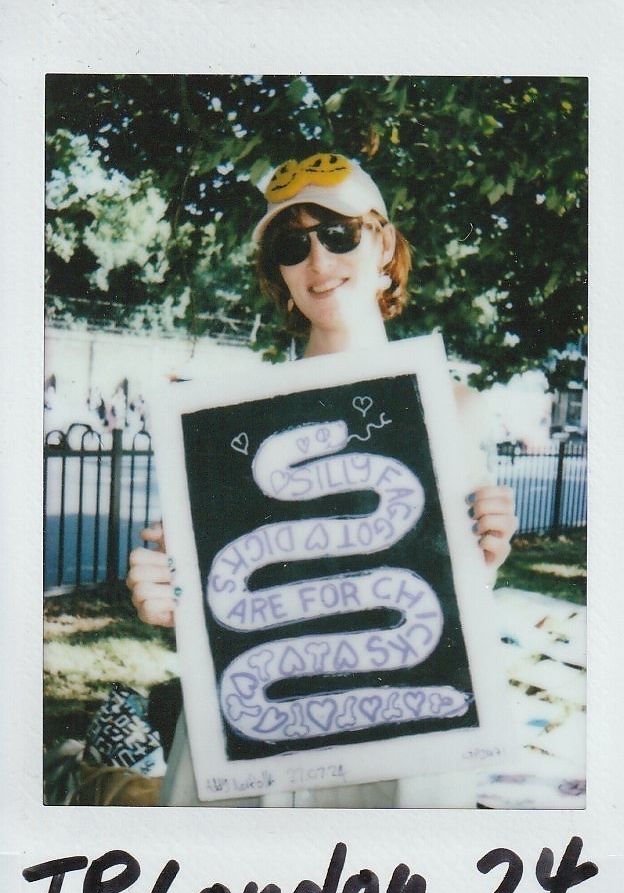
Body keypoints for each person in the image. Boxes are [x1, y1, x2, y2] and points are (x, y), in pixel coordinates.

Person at [126, 152, 517, 807]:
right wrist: (170, 598)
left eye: (339, 233)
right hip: (257, 752)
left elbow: (447, 592)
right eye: (290, 243)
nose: (317, 260)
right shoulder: (224, 422)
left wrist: (487, 556)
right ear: (276, 270)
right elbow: (220, 599)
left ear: (384, 242)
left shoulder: (455, 409)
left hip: (402, 741)